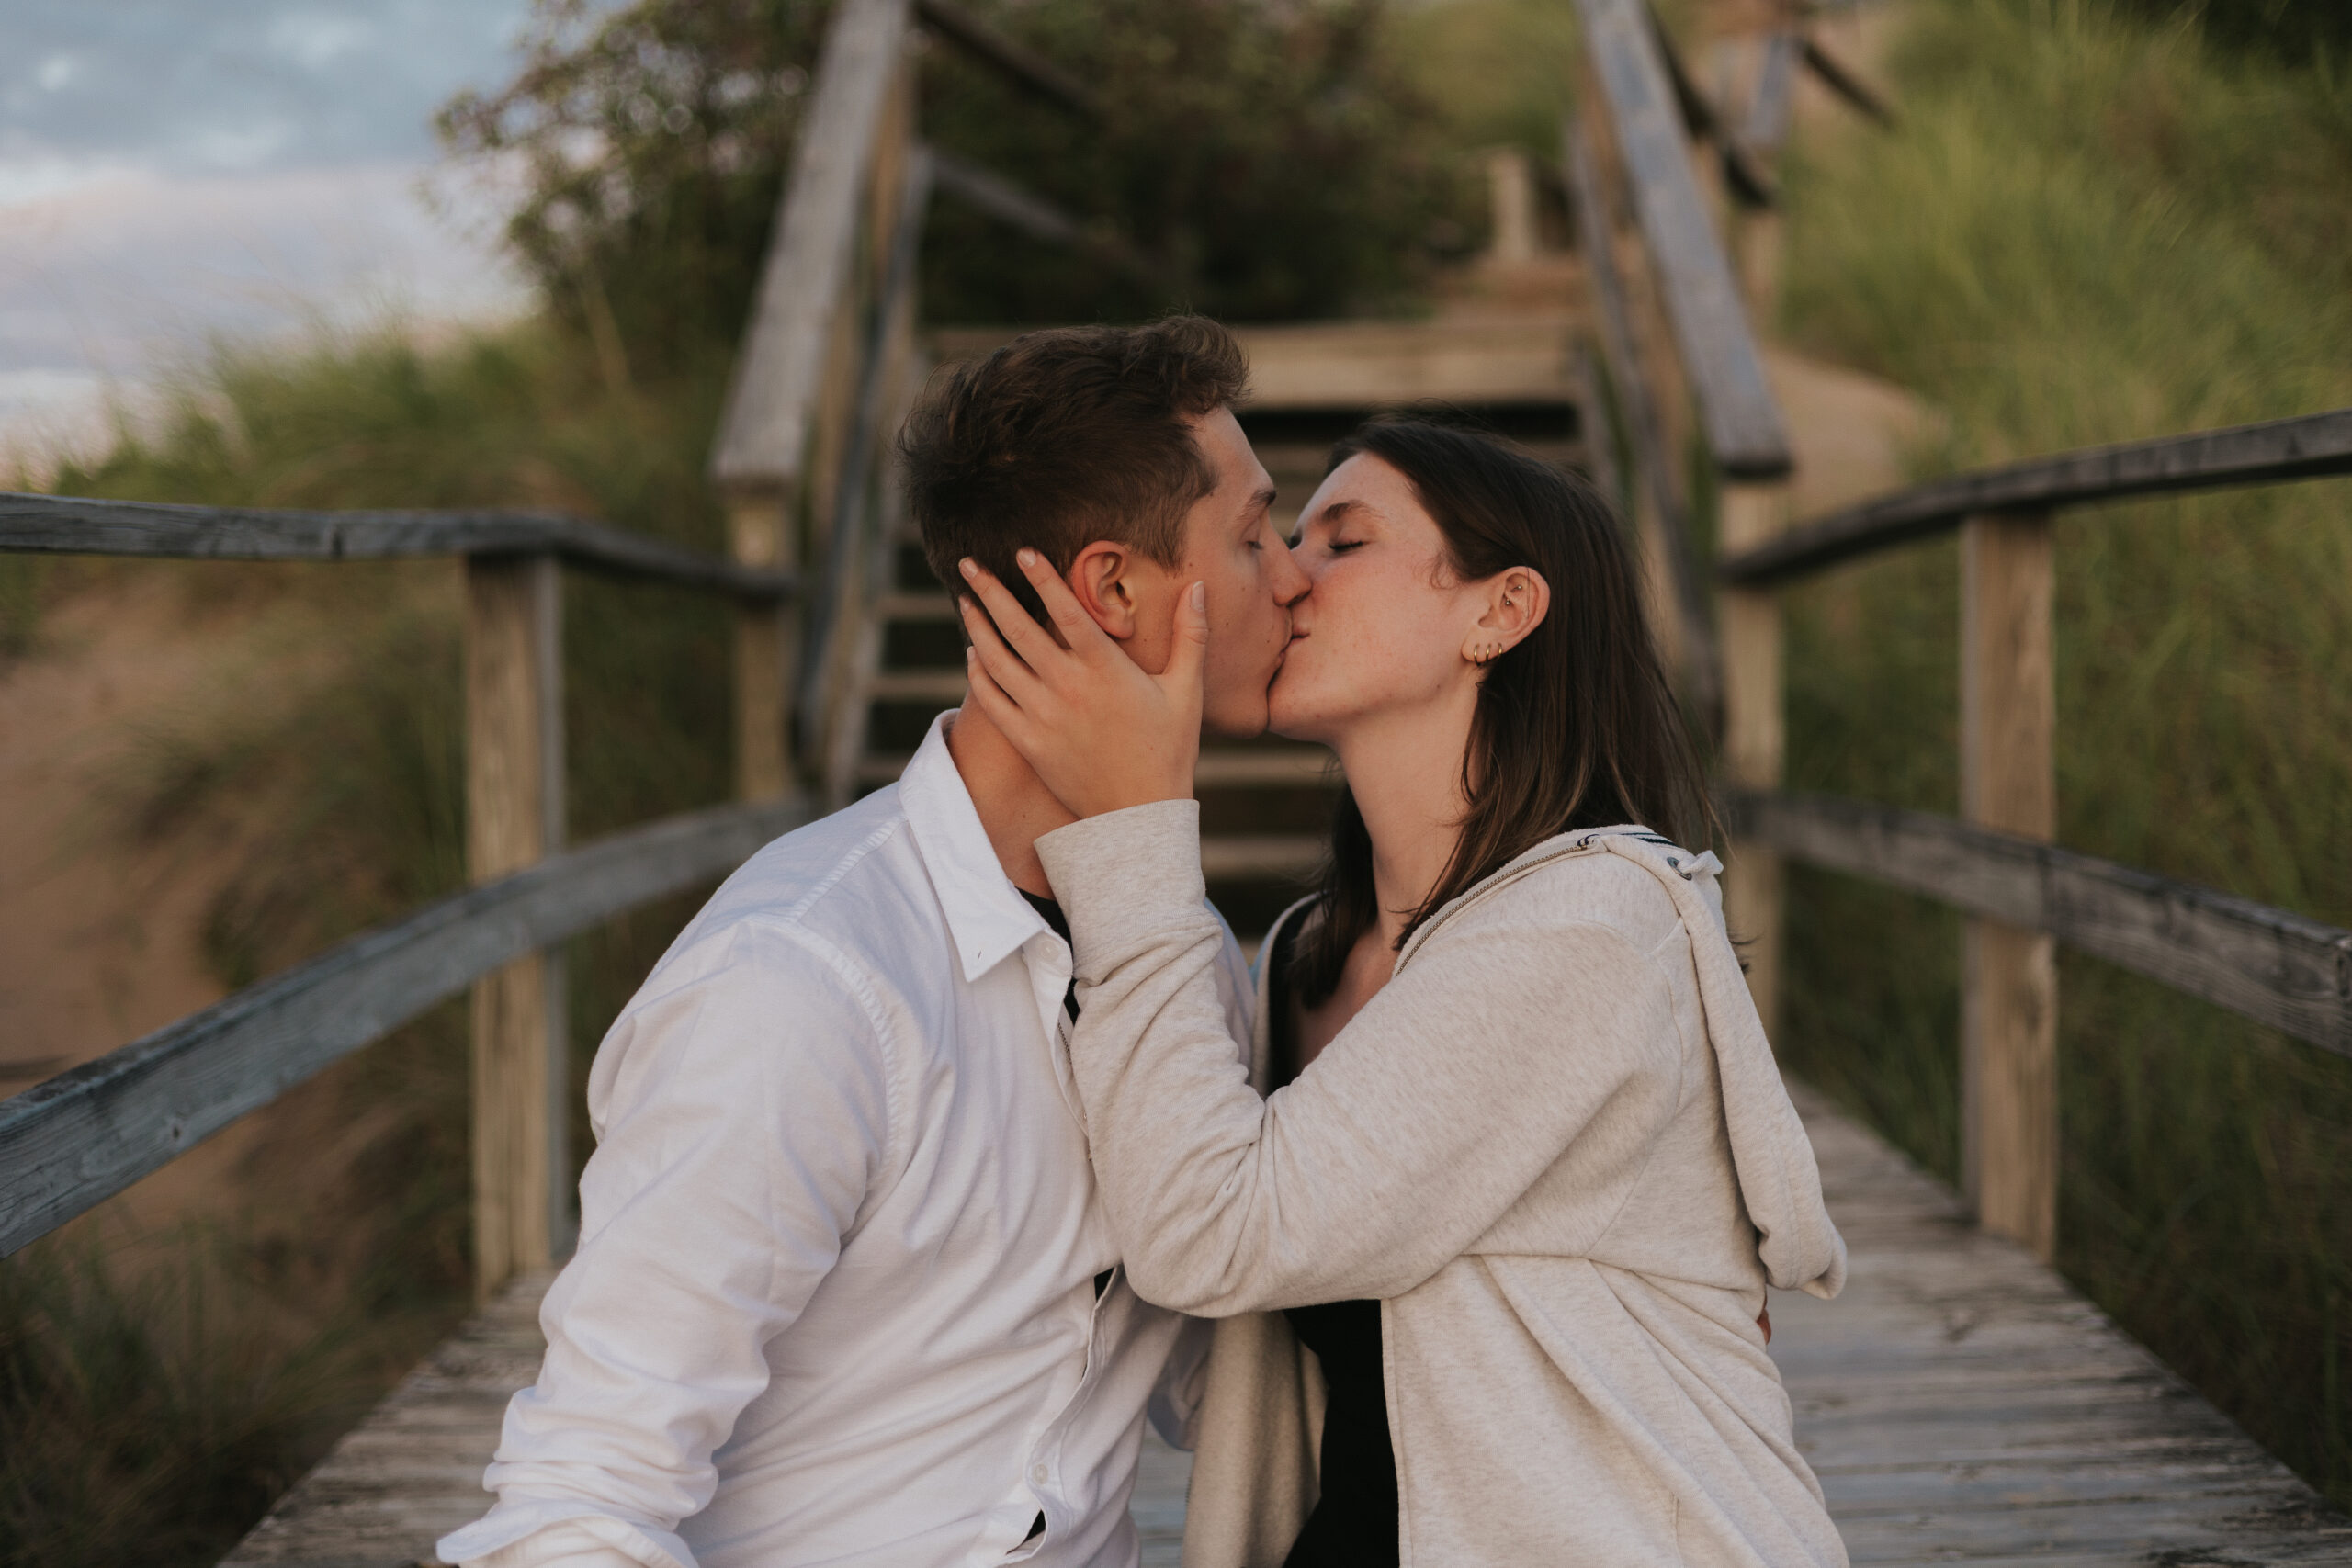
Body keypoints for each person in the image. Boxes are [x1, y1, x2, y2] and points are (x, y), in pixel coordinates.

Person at [435, 316, 1307, 1568]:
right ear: (1116, 589)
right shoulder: (803, 986)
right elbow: (576, 1497)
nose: (1292, 578)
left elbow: (1220, 1373)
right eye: (1254, 532)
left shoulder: (1184, 953)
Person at [956, 417, 1850, 1567]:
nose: (1284, 578)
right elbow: (1200, 1301)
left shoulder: (1586, 932)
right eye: (1282, 540)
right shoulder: (1298, 956)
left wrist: (1133, 830)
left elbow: (1209, 1234)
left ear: (1499, 612)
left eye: (1343, 540)